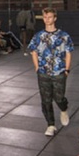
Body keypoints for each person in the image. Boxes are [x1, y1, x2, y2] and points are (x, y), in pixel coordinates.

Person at [28, 8, 73, 137]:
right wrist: (37, 67)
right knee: (46, 100)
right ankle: (51, 125)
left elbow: (69, 53)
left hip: (59, 71)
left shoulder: (64, 36)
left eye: (49, 17)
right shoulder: (38, 36)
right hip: (43, 72)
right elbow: (33, 51)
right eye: (45, 17)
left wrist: (67, 69)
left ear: (55, 18)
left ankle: (63, 109)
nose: (47, 19)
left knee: (59, 97)